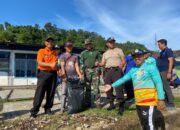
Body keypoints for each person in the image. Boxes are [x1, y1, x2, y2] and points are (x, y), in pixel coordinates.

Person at [104, 49, 165, 130]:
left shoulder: (151, 67)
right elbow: (123, 79)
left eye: (139, 56)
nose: (137, 58)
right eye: (134, 57)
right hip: (139, 102)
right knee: (144, 123)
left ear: (144, 56)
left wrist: (161, 99)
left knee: (150, 125)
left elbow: (158, 83)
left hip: (149, 102)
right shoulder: (133, 70)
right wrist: (111, 86)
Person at [30, 37, 58, 118]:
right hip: (43, 73)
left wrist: (57, 67)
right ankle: (34, 110)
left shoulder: (55, 53)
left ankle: (48, 109)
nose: (50, 42)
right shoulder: (41, 51)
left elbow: (56, 64)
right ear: (45, 43)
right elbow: (39, 62)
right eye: (48, 41)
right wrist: (50, 65)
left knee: (51, 92)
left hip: (53, 74)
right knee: (40, 92)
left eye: (51, 41)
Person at [99, 37, 126, 114]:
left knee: (118, 87)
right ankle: (111, 104)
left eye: (113, 42)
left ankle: (121, 106)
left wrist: (121, 67)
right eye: (110, 42)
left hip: (116, 70)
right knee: (107, 88)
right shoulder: (105, 53)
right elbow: (103, 63)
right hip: (107, 71)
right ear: (107, 43)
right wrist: (98, 64)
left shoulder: (119, 50)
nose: (112, 43)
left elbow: (123, 60)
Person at [60, 42, 83, 114]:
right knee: (64, 92)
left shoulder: (75, 56)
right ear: (65, 47)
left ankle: (74, 106)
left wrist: (80, 75)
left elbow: (76, 66)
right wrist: (64, 76)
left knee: (73, 93)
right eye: (68, 46)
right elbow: (62, 66)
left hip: (74, 77)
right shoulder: (63, 56)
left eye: (70, 46)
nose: (69, 48)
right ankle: (62, 109)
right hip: (66, 77)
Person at [80, 39, 101, 108]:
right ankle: (87, 103)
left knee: (96, 88)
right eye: (87, 44)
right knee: (87, 88)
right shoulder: (83, 53)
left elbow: (100, 61)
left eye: (89, 44)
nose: (88, 45)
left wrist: (98, 63)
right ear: (85, 45)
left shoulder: (96, 52)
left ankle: (97, 103)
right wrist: (81, 70)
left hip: (95, 70)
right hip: (87, 71)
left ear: (91, 44)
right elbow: (81, 62)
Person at [157, 39, 175, 109]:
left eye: (159, 44)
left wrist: (169, 72)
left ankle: (171, 103)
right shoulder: (162, 52)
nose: (158, 46)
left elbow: (171, 61)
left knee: (167, 87)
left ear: (163, 44)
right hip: (161, 72)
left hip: (166, 71)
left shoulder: (168, 50)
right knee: (164, 87)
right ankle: (167, 101)